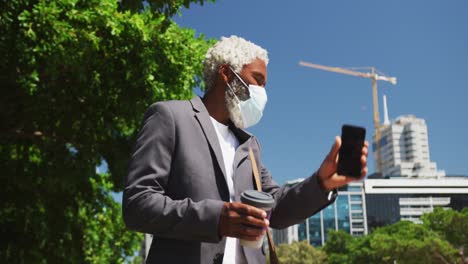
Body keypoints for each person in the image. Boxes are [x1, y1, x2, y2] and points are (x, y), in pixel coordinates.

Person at [123, 35, 369, 264]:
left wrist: (321, 183)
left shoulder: (250, 145)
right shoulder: (171, 116)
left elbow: (277, 208)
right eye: (257, 80)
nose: (262, 93)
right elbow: (138, 203)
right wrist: (216, 218)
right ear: (226, 73)